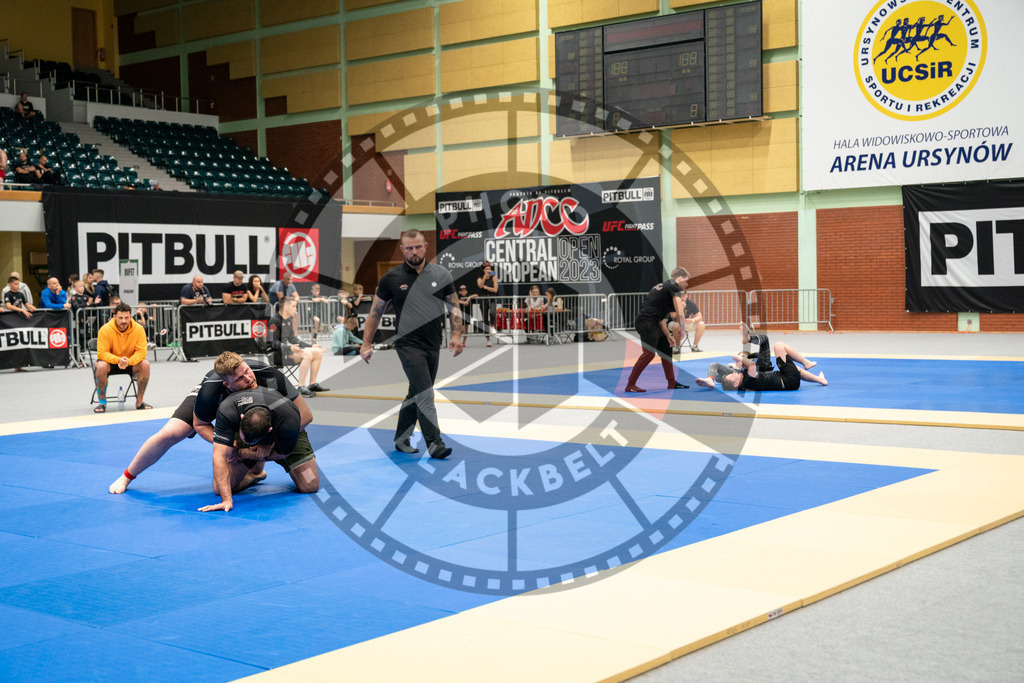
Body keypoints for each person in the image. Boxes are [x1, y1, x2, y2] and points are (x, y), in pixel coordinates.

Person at [108, 351, 311, 494]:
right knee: (171, 432)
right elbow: (200, 425)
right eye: (240, 378)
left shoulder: (268, 375)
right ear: (227, 384)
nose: (249, 378)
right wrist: (231, 445)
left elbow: (305, 415)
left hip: (269, 421)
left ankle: (256, 467)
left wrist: (270, 442)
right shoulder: (212, 388)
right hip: (230, 411)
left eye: (248, 371)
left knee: (308, 485)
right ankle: (127, 476)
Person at [361, 229, 465, 459]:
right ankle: (435, 443)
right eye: (409, 248)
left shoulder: (442, 274)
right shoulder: (391, 277)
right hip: (407, 344)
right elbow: (375, 313)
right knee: (425, 393)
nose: (414, 251)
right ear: (402, 249)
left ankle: (401, 438)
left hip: (433, 343)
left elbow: (454, 307)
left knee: (415, 392)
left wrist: (457, 335)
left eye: (418, 247)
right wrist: (366, 343)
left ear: (426, 246)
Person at [198, 385, 320, 512]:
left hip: (283, 435)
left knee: (310, 485)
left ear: (269, 431)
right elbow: (219, 456)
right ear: (241, 418)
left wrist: (248, 454)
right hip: (252, 429)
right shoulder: (228, 409)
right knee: (220, 488)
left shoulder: (289, 421)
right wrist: (226, 500)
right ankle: (255, 474)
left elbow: (282, 454)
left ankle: (256, 461)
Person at [696, 325, 827, 391]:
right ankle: (805, 361)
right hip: (787, 380)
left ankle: (820, 380)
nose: (733, 374)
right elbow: (751, 366)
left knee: (766, 341)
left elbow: (745, 367)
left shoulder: (743, 380)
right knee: (779, 346)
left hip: (787, 379)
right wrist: (737, 357)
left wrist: (733, 366)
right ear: (736, 383)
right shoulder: (747, 382)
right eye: (732, 376)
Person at [624, 267, 691, 393]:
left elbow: (659, 317)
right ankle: (630, 384)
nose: (686, 284)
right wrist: (682, 329)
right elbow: (680, 313)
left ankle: (672, 383)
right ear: (680, 278)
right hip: (647, 322)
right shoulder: (674, 286)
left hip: (651, 321)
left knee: (666, 349)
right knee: (649, 354)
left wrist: (667, 334)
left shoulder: (664, 287)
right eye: (686, 281)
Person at [93, 302, 151, 412]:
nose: (123, 321)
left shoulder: (138, 329)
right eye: (120, 318)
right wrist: (118, 359)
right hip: (110, 363)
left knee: (145, 364)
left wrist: (129, 361)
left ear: (130, 317)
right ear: (114, 317)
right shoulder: (105, 330)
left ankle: (140, 402)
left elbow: (141, 352)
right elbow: (102, 353)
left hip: (130, 362)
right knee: (100, 366)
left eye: (126, 318)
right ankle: (102, 402)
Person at [268, 297, 325, 396]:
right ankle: (301, 387)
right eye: (293, 306)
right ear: (285, 307)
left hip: (286, 351)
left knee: (318, 352)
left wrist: (312, 346)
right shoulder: (274, 321)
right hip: (276, 354)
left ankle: (312, 384)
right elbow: (273, 342)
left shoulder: (288, 320)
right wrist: (289, 348)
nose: (295, 309)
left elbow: (293, 339)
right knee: (306, 354)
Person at [476, 262, 499, 346]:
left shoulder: (494, 278)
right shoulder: (480, 278)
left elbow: (495, 290)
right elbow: (480, 285)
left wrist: (486, 287)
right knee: (485, 319)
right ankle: (488, 339)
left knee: (493, 313)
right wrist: (485, 277)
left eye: (489, 269)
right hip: (483, 300)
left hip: (492, 299)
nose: (488, 270)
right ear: (483, 270)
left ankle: (492, 325)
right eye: (486, 269)